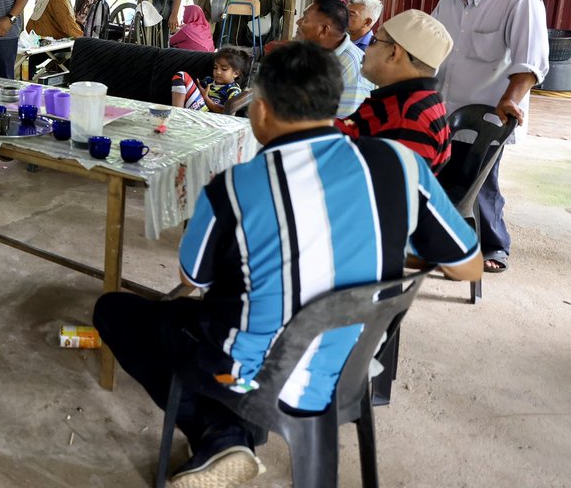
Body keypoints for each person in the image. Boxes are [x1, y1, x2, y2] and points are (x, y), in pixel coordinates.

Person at [94, 41, 482, 488]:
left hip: (250, 377)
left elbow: (191, 276)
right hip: (350, 365)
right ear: (335, 105)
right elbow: (467, 267)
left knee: (118, 312)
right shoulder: (401, 163)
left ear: (260, 110)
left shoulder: (235, 186)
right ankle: (225, 435)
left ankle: (220, 432)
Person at [432, 0, 549, 274]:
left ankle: (495, 246)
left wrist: (512, 99)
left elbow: (530, 60)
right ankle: (448, 241)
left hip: (487, 115)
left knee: (480, 183)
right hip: (446, 109)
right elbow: (433, 44)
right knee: (446, 178)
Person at [337, 10, 453, 172]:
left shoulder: (409, 118)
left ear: (393, 53)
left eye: (374, 41)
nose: (366, 49)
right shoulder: (409, 99)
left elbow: (391, 191)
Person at [295, 0, 373, 116]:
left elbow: (347, 124)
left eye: (305, 19)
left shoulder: (353, 66)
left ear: (324, 30)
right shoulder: (315, 53)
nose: (298, 22)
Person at [170, 46, 249, 113]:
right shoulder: (208, 81)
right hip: (195, 109)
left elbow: (225, 112)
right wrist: (197, 88)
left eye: (224, 69)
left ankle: (177, 114)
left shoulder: (233, 89)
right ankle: (177, 112)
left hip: (210, 118)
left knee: (182, 75)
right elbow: (195, 95)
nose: (218, 72)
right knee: (180, 75)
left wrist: (205, 98)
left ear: (235, 73)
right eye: (215, 67)